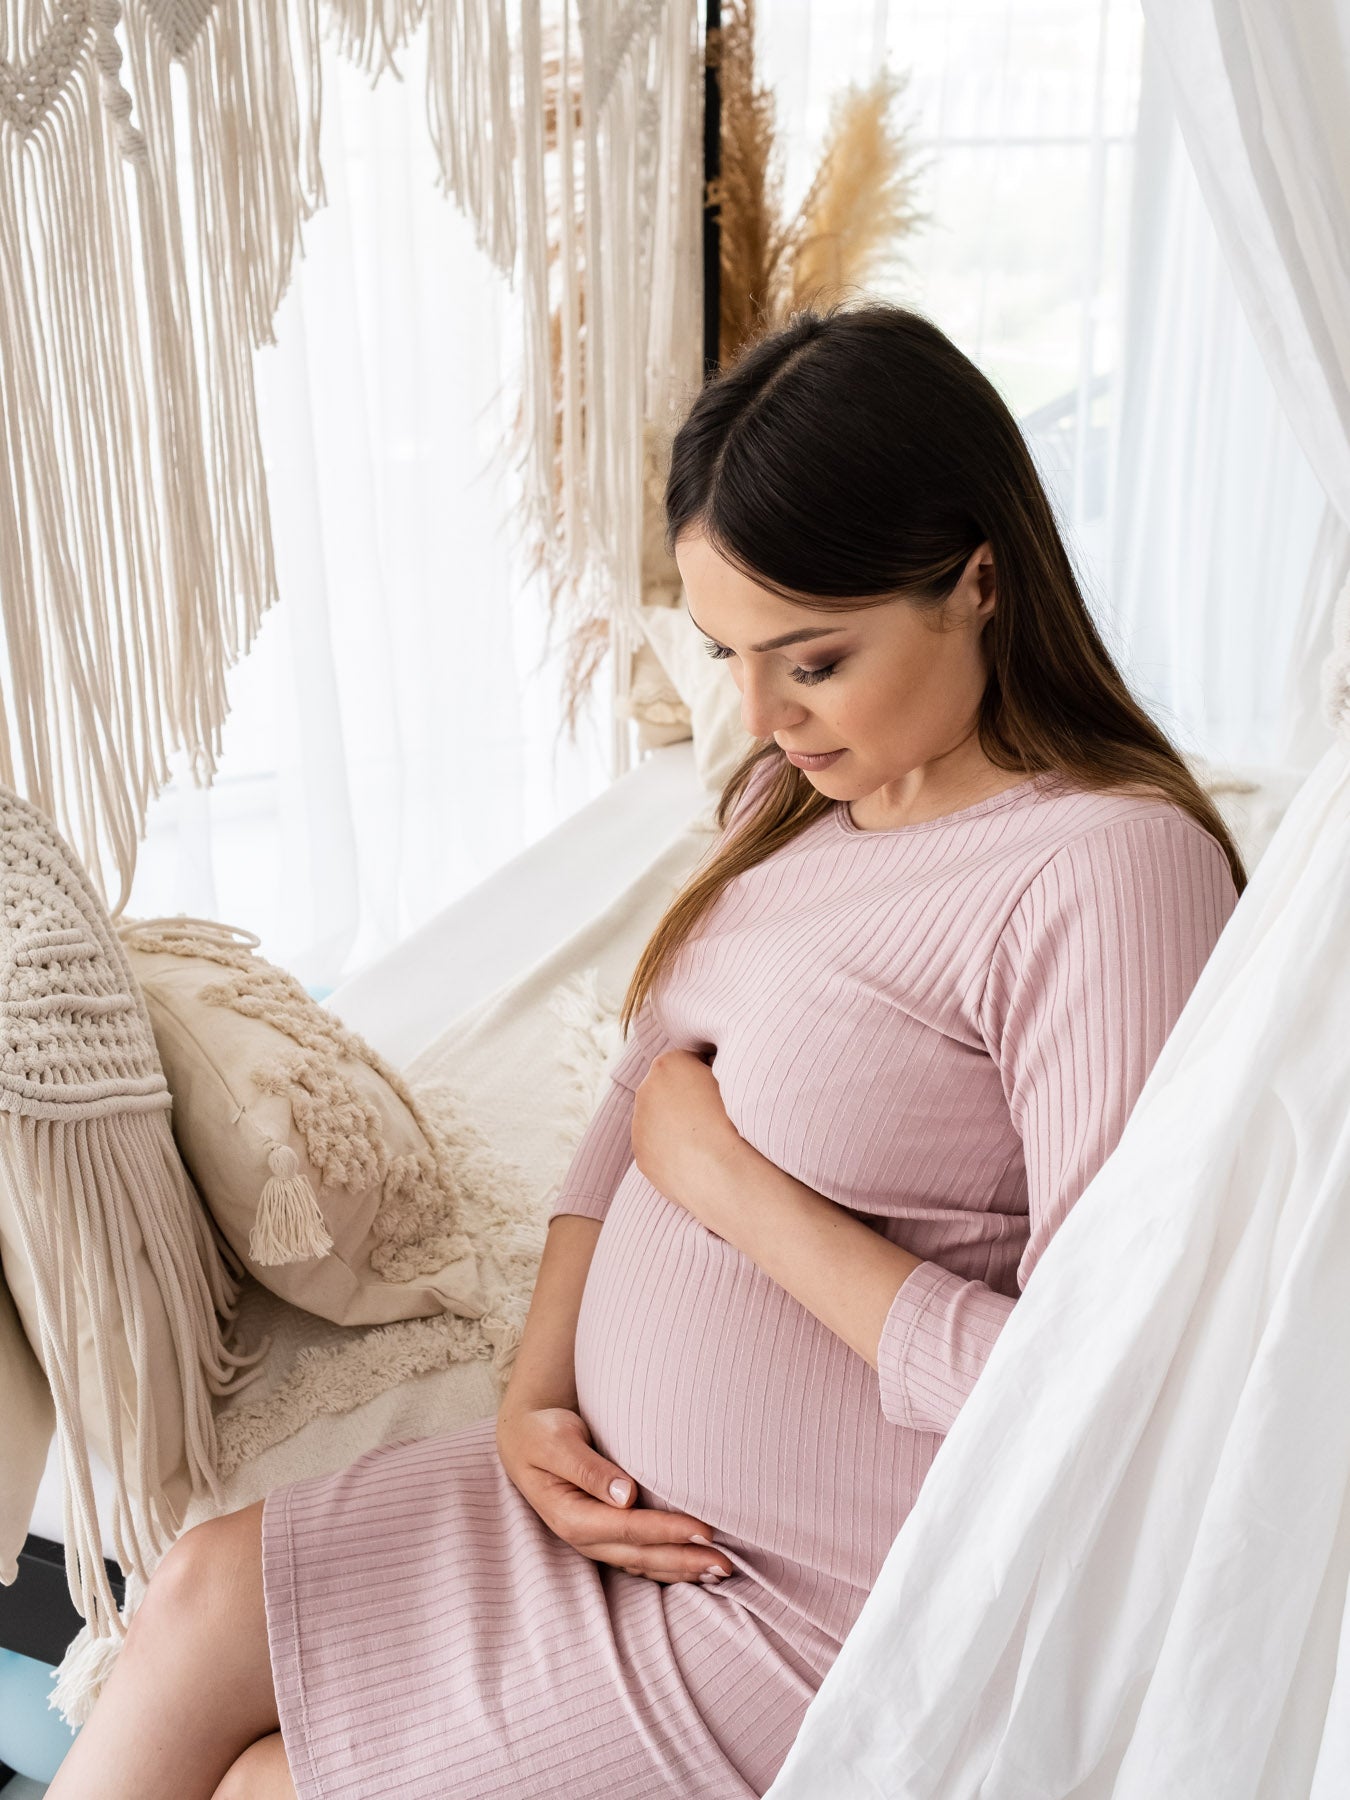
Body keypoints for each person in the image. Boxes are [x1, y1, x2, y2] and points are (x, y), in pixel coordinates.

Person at [45, 301, 1245, 1800]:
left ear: (979, 582)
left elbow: (1108, 1394)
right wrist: (531, 1401)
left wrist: (733, 1187)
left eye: (811, 659)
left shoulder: (1104, 873)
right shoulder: (787, 803)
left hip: (811, 1605)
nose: (756, 713)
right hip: (608, 1504)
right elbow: (634, 1099)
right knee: (199, 1591)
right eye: (727, 650)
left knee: (261, 1792)